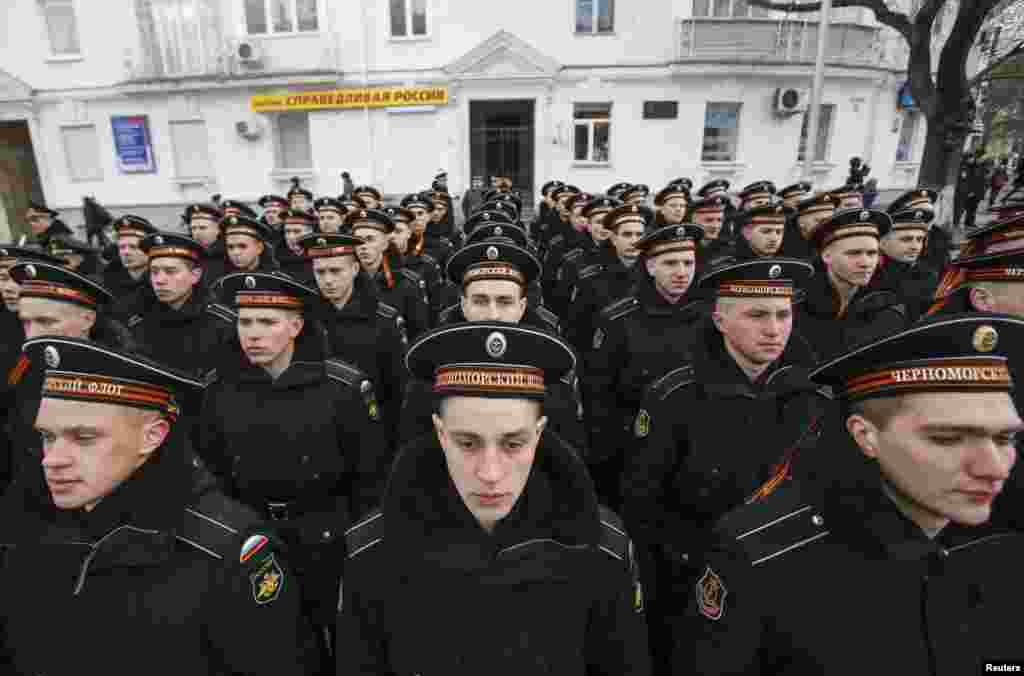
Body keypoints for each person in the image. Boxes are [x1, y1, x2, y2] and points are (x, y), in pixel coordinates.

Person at [679, 313, 1024, 675]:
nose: (994, 467)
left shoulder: (1006, 549)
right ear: (865, 435)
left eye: (1004, 438)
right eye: (947, 438)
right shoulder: (765, 559)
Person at [338, 322, 652, 675]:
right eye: (467, 443)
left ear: (539, 433)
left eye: (513, 444)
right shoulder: (372, 553)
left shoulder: (601, 549)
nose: (490, 473)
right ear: (440, 433)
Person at [0, 336, 321, 675]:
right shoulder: (26, 530)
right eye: (47, 436)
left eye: (84, 438)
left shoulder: (223, 552)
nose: (53, 460)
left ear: (152, 436)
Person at [624, 257, 827, 675]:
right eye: (756, 315)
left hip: (788, 581)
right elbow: (643, 505)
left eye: (783, 314)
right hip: (693, 582)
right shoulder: (675, 397)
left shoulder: (814, 399)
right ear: (719, 319)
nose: (774, 330)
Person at [197, 271, 384, 663]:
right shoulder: (218, 388)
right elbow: (213, 469)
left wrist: (353, 541)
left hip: (325, 535)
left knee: (331, 638)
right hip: (251, 534)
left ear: (296, 326)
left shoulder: (341, 387)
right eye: (245, 322)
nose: (253, 334)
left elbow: (368, 476)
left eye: (268, 322)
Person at [399, 236, 585, 451]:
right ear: (463, 304)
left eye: (505, 302)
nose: (493, 314)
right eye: (480, 301)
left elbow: (567, 461)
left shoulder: (553, 371)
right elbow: (412, 459)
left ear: (522, 306)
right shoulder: (430, 373)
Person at [584, 220, 706, 509]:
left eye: (688, 263)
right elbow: (598, 396)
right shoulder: (619, 320)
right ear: (650, 267)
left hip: (694, 452)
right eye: (670, 263)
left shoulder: (708, 317)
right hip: (633, 449)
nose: (681, 273)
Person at [298, 232, 408, 445]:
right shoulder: (304, 319)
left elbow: (398, 388)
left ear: (355, 269)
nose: (327, 280)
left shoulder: (383, 320)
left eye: (336, 271)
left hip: (371, 428)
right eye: (320, 272)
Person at [796, 209, 909, 359]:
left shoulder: (888, 303)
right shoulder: (798, 304)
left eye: (872, 253)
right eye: (854, 253)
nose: (866, 263)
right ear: (826, 256)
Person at [122, 233, 235, 377]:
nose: (159, 280)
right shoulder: (139, 323)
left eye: (170, 271)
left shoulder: (222, 324)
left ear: (195, 276)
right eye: (154, 272)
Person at [563, 197, 637, 354]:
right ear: (588, 226)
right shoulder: (588, 271)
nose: (604, 227)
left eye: (638, 234)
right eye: (599, 222)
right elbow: (574, 320)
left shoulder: (653, 272)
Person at [346, 208, 430, 339]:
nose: (363, 246)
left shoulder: (406, 283)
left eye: (370, 239)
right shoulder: (345, 280)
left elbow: (418, 333)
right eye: (358, 240)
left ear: (385, 243)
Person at [877, 207, 940, 320]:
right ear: (882, 242)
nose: (915, 247)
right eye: (906, 239)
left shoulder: (927, 275)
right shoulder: (867, 273)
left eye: (920, 240)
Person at [102, 215, 158, 309]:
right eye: (122, 247)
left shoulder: (161, 281)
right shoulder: (107, 280)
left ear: (150, 250)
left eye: (133, 247)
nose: (126, 252)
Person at [183, 202, 227, 285]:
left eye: (203, 228)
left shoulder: (228, 254)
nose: (197, 233)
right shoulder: (187, 253)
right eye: (193, 228)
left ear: (218, 229)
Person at [275, 209, 317, 286]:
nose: (291, 237)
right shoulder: (275, 257)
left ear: (310, 233)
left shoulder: (319, 256)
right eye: (287, 231)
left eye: (297, 231)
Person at [688, 194, 731, 268]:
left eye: (719, 220)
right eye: (709, 220)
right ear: (693, 221)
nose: (715, 226)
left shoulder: (729, 248)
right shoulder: (685, 248)